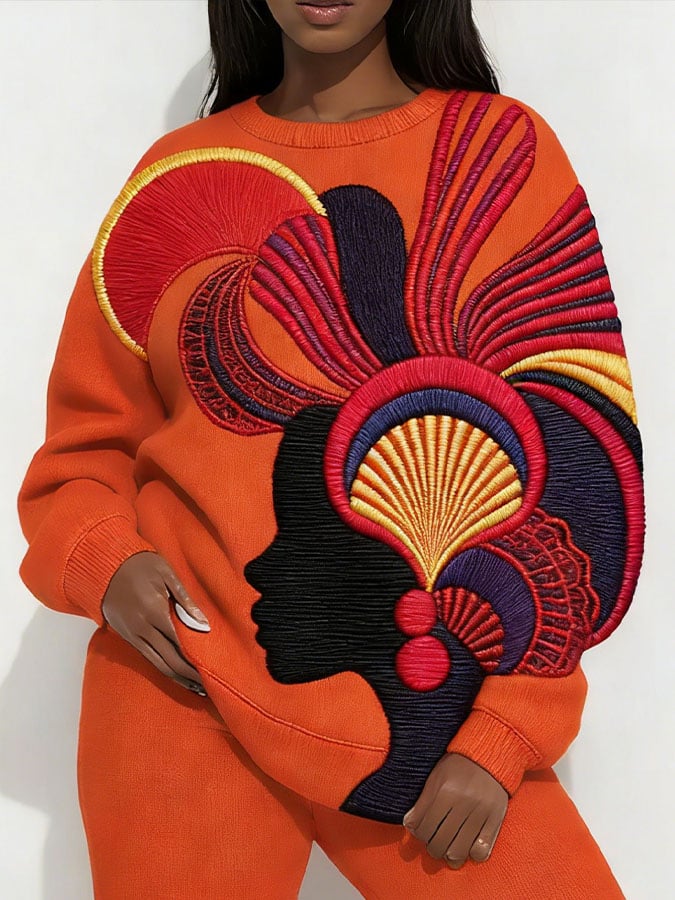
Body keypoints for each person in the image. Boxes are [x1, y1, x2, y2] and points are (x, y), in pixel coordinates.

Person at [16, 1, 644, 897]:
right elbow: (84, 448)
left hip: (432, 724)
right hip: (177, 688)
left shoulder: (499, 148)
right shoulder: (181, 174)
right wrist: (103, 561)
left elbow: (583, 472)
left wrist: (505, 727)